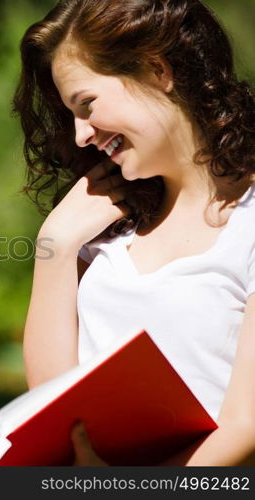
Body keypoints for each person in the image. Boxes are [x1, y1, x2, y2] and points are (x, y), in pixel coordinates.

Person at [14, 0, 255, 465]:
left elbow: (245, 423)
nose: (81, 134)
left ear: (156, 70)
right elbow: (50, 407)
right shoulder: (103, 228)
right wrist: (55, 246)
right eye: (71, 115)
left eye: (87, 104)